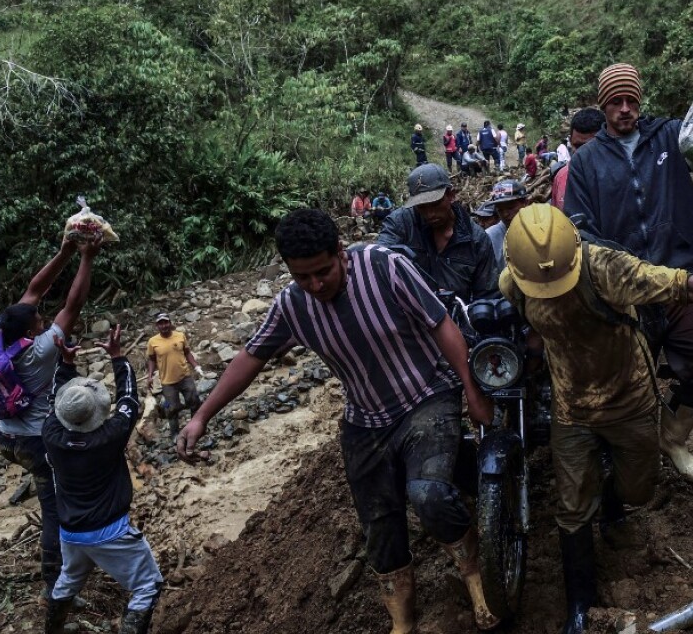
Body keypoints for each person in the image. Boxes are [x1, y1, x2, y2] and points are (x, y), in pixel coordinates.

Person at [176, 209, 500, 632]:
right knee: (380, 524)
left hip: (426, 395)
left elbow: (440, 325)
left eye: (322, 272)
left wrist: (472, 390)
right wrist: (202, 415)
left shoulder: (386, 267)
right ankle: (402, 620)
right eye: (302, 277)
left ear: (341, 255)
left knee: (429, 494)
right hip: (365, 418)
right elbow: (251, 357)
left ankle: (476, 579)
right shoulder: (293, 305)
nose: (314, 285)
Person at [499, 204, 693, 633]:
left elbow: (690, 286)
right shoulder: (514, 284)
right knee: (572, 512)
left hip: (630, 401)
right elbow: (533, 329)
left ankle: (609, 497)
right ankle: (579, 608)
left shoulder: (605, 268)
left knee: (638, 491)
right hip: (572, 409)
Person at [564, 58, 693, 483]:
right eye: (615, 102)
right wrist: (616, 271)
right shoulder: (586, 162)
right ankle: (636, 454)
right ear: (603, 107)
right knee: (627, 381)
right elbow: (580, 228)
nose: (625, 108)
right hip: (627, 290)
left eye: (631, 100)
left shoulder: (670, 136)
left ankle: (674, 437)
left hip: (684, 277)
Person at [0, 236, 101, 598]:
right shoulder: (40, 350)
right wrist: (87, 258)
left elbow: (34, 289)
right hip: (34, 443)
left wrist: (65, 251)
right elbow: (74, 303)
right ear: (31, 330)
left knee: (54, 498)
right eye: (39, 319)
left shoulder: (3, 333)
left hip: (5, 435)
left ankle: (68, 564)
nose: (42, 317)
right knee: (54, 507)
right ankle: (55, 584)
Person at [43, 325, 164, 634]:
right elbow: (129, 401)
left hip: (70, 531)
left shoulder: (51, 434)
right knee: (148, 585)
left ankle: (52, 628)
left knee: (69, 579)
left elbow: (53, 400)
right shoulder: (108, 437)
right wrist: (118, 356)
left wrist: (65, 364)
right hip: (108, 530)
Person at [378, 163, 498, 301]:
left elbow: (488, 295)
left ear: (451, 195)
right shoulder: (400, 223)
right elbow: (379, 261)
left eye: (435, 204)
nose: (430, 214)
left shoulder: (477, 240)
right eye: (422, 207)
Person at [145, 312, 203, 440]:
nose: (164, 325)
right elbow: (151, 359)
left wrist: (196, 366)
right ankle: (175, 434)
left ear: (170, 323)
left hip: (185, 376)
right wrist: (150, 376)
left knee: (194, 401)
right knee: (172, 409)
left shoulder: (180, 336)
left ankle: (196, 428)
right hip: (167, 382)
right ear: (157, 326)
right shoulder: (153, 341)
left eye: (166, 322)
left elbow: (187, 353)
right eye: (161, 323)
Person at [552, 108, 605, 210]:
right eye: (578, 146)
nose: (582, 154)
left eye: (589, 147)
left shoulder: (620, 179)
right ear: (570, 142)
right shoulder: (561, 177)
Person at [483, 179, 530, 270]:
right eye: (500, 210)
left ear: (526, 203)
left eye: (510, 207)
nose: (505, 214)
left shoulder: (541, 228)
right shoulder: (490, 238)